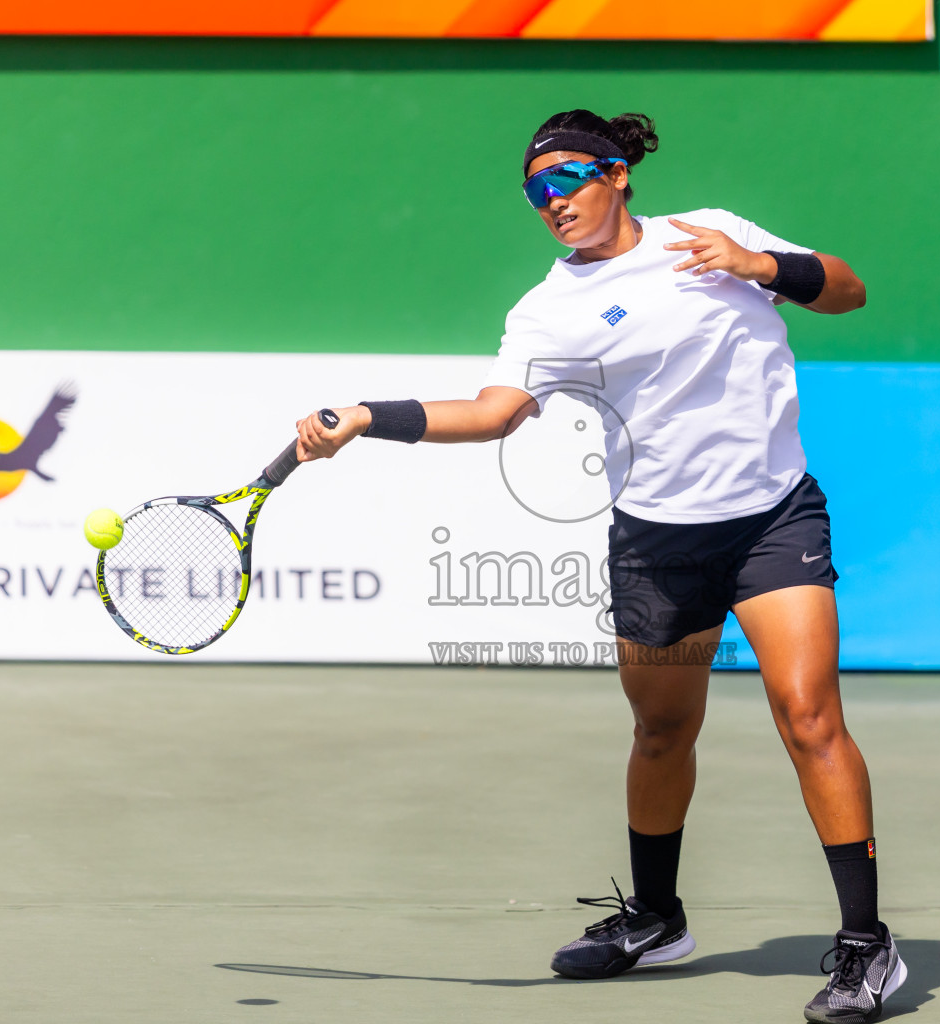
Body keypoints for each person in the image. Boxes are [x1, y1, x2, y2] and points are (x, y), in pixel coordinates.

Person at [294, 109, 904, 1023]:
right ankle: (657, 918)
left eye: (568, 179)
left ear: (617, 173)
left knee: (809, 715)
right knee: (661, 732)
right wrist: (369, 417)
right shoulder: (549, 311)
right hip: (658, 543)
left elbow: (849, 290)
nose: (553, 202)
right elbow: (495, 411)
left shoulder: (716, 233)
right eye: (535, 190)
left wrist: (760, 267)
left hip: (773, 519)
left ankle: (867, 947)